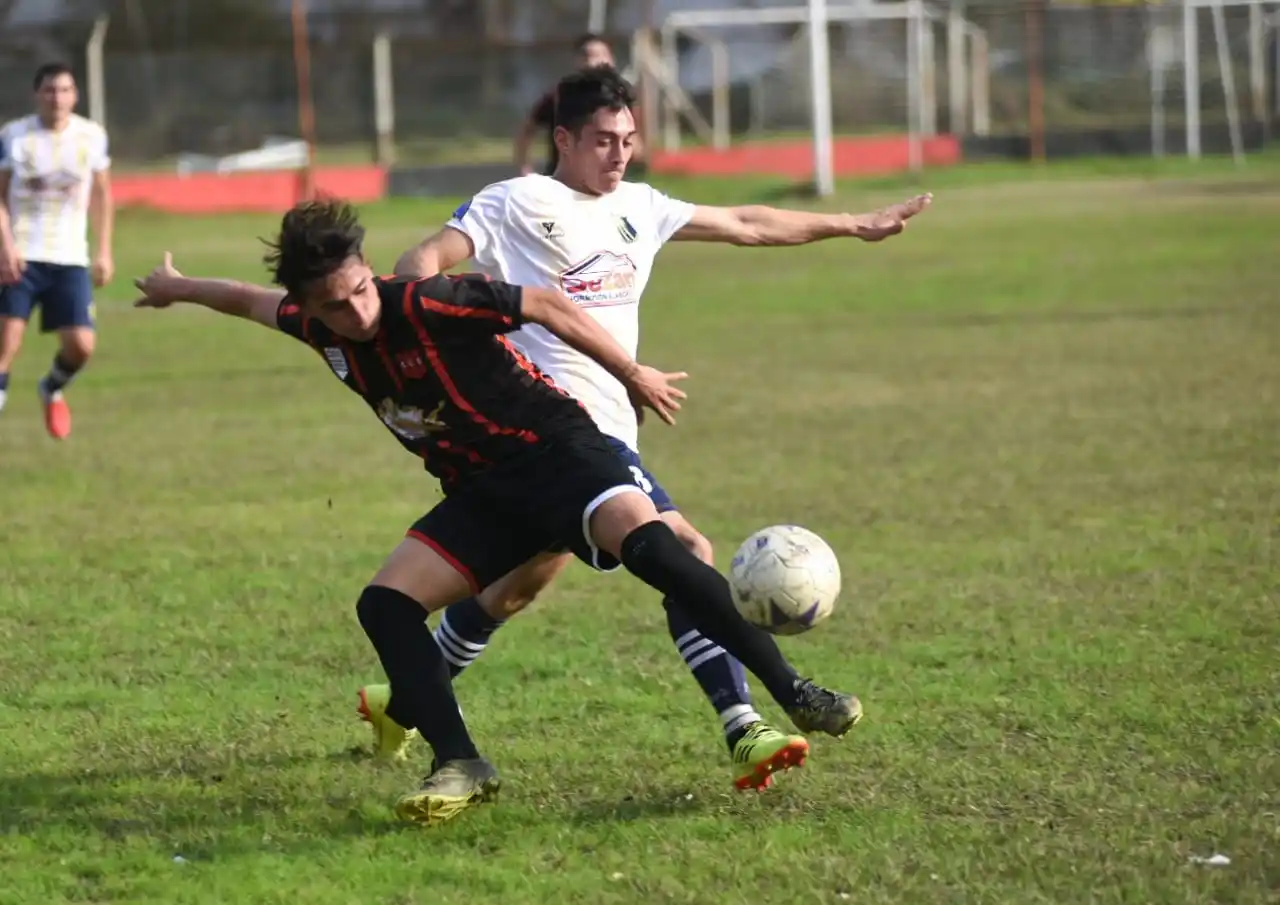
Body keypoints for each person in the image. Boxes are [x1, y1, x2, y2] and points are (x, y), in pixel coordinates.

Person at [132, 198, 863, 827]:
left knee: (657, 552)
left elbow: (546, 305)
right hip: (485, 493)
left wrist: (631, 372)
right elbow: (245, 299)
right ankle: (460, 762)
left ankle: (795, 692)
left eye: (360, 290)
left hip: (561, 452)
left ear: (367, 269)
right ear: (311, 304)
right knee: (384, 604)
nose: (356, 311)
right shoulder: (314, 324)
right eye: (335, 304)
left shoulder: (425, 300)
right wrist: (176, 286)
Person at [376, 64, 931, 791]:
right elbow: (423, 258)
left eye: (629, 140)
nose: (619, 154)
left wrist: (852, 224)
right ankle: (747, 724)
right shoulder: (516, 200)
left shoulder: (639, 205)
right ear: (565, 138)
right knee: (686, 551)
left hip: (597, 442)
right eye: (603, 140)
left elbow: (747, 224)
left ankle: (405, 701)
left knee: (515, 590)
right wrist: (426, 303)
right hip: (549, 435)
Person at [0, 62, 114, 438]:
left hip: (69, 257)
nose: (57, 98)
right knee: (6, 344)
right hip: (20, 255)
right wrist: (5, 246)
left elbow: (102, 194)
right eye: (50, 90)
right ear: (37, 94)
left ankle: (51, 387)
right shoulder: (14, 136)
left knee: (82, 346)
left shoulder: (91, 136)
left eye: (65, 90)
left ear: (75, 95)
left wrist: (104, 251)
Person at [514, 34, 645, 177]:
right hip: (564, 182)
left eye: (600, 55)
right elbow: (527, 131)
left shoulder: (622, 100)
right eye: (587, 55)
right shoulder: (558, 97)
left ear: (611, 60)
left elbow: (637, 148)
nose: (592, 61)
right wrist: (525, 168)